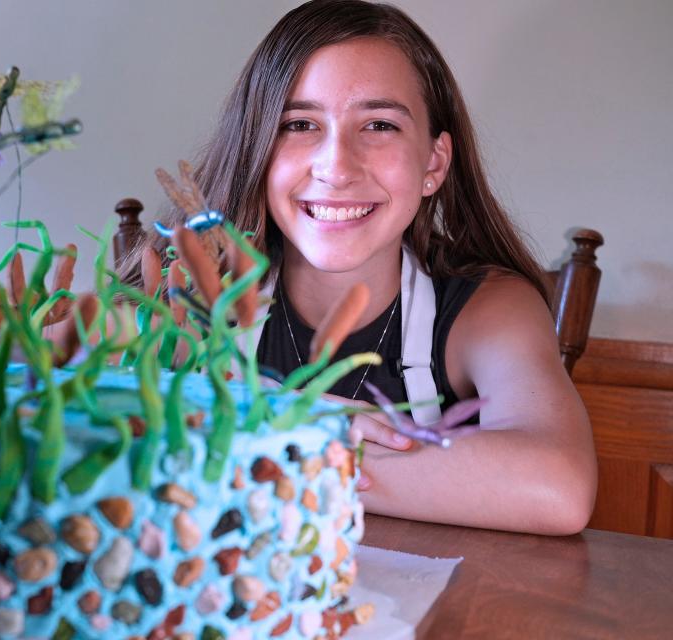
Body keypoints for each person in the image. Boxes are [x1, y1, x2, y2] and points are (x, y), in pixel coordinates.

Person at [123, 0, 597, 535]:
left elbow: (559, 487)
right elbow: (67, 419)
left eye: (378, 125)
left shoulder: (487, 308)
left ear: (433, 163)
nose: (337, 167)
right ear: (258, 148)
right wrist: (293, 435)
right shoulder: (191, 296)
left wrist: (277, 443)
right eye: (299, 123)